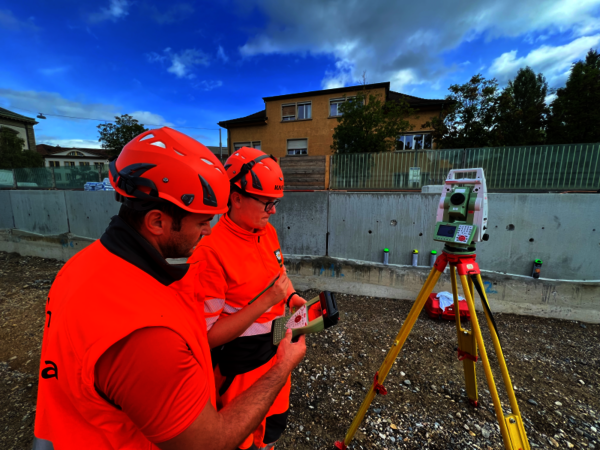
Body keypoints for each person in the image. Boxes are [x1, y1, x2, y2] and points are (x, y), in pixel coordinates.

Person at [33, 128, 306, 450]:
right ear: (157, 221)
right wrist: (283, 365)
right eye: (202, 221)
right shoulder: (145, 334)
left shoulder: (81, 266)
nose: (208, 232)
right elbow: (208, 442)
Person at [187, 147, 307, 450]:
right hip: (240, 368)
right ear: (236, 198)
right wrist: (267, 301)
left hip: (276, 348)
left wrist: (291, 296)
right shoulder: (211, 251)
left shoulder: (266, 232)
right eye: (267, 203)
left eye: (276, 202)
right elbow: (206, 337)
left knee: (272, 429)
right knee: (242, 438)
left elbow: (280, 275)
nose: (274, 211)